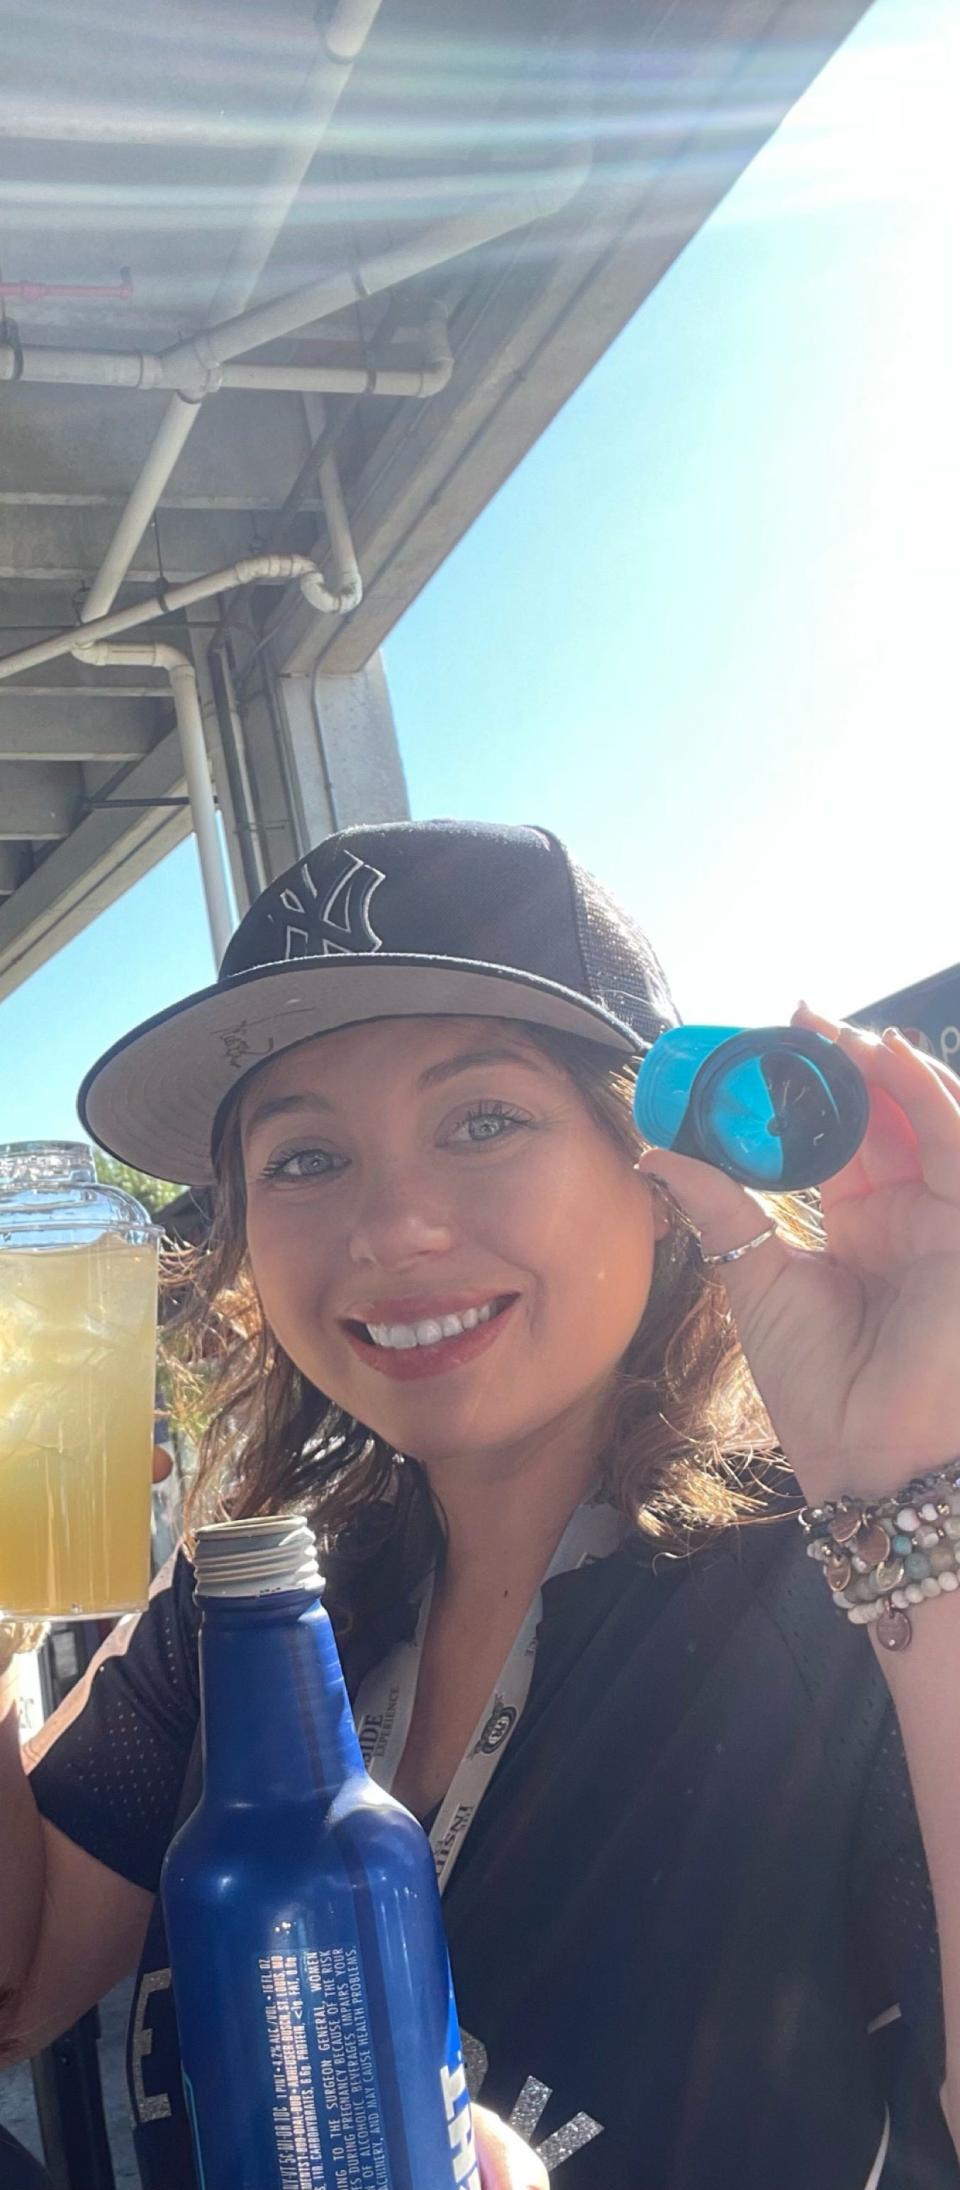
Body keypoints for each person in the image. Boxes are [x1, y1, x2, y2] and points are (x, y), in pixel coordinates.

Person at [2, 816, 960, 2190]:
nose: (393, 1227)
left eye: (483, 1120)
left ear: (659, 1172)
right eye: (304, 1157)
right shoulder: (251, 1611)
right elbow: (21, 1984)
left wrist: (915, 1499)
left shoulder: (850, 1606)